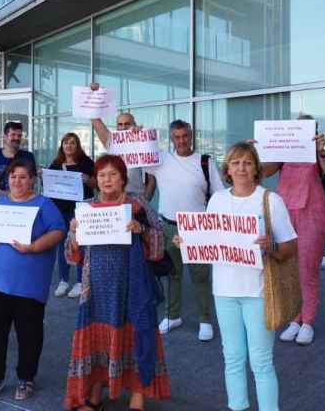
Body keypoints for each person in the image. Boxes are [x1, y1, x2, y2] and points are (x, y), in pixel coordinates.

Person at [176, 142, 297, 411]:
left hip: (259, 291)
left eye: (247, 162)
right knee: (232, 358)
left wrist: (272, 247)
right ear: (227, 169)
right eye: (235, 163)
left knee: (261, 361)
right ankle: (237, 406)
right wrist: (186, 241)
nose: (241, 168)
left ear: (256, 168)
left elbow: (290, 247)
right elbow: (208, 240)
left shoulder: (270, 200)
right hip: (224, 290)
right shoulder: (217, 200)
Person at [64, 155, 170, 411]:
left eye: (112, 174)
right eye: (102, 175)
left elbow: (159, 244)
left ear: (123, 178)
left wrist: (141, 230)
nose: (107, 180)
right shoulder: (86, 208)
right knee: (98, 340)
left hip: (132, 287)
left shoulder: (138, 206)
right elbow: (71, 255)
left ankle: (138, 395)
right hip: (95, 288)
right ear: (96, 181)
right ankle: (96, 391)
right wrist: (76, 234)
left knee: (136, 336)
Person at [0, 160, 66, 402]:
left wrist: (34, 247)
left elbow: (58, 231)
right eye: (13, 176)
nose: (17, 181)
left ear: (32, 180)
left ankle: (26, 378)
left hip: (28, 284)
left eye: (23, 177)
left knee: (29, 333)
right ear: (7, 179)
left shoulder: (44, 204)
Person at [260, 114, 325, 345]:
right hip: (285, 213)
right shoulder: (284, 155)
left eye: (307, 127)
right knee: (288, 267)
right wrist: (260, 149)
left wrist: (321, 151)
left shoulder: (318, 153)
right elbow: (264, 171)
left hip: (313, 214)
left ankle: (308, 322)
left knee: (308, 269)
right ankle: (295, 319)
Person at [145, 119, 224, 341]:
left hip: (197, 228)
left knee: (200, 276)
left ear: (191, 136)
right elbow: (132, 154)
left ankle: (205, 320)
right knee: (172, 274)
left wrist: (215, 226)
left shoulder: (205, 162)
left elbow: (219, 195)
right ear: (171, 139)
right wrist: (135, 133)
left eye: (185, 136)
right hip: (169, 226)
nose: (181, 141)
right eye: (177, 137)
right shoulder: (161, 160)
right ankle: (172, 316)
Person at [89, 82, 156, 200]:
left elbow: (151, 181)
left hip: (136, 198)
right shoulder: (112, 143)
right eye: (120, 124)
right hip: (114, 197)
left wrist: (144, 204)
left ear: (134, 125)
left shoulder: (144, 144)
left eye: (127, 124)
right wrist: (95, 94)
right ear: (116, 127)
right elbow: (95, 119)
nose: (123, 127)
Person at [49, 132, 96, 299]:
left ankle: (79, 281)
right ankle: (63, 279)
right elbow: (50, 185)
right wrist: (43, 177)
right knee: (62, 245)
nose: (69, 146)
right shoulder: (55, 164)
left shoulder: (86, 163)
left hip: (80, 210)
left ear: (78, 146)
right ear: (62, 146)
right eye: (66, 143)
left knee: (79, 244)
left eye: (72, 143)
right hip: (60, 210)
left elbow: (96, 184)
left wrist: (87, 179)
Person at [0, 120, 36, 192]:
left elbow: (32, 183)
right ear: (5, 136)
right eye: (13, 135)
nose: (17, 138)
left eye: (19, 136)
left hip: (22, 201)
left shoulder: (28, 156)